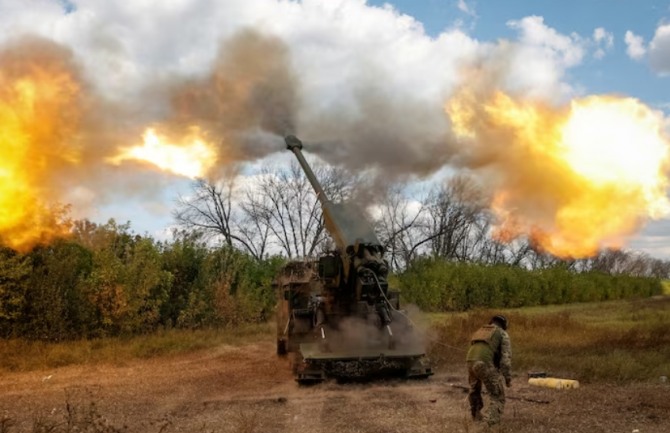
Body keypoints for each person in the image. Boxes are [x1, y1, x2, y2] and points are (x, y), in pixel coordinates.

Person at [466, 314, 512, 427]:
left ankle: (476, 416)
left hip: (469, 362)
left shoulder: (480, 330)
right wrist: (507, 378)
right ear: (504, 324)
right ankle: (488, 424)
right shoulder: (502, 333)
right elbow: (505, 360)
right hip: (483, 363)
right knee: (497, 396)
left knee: (474, 390)